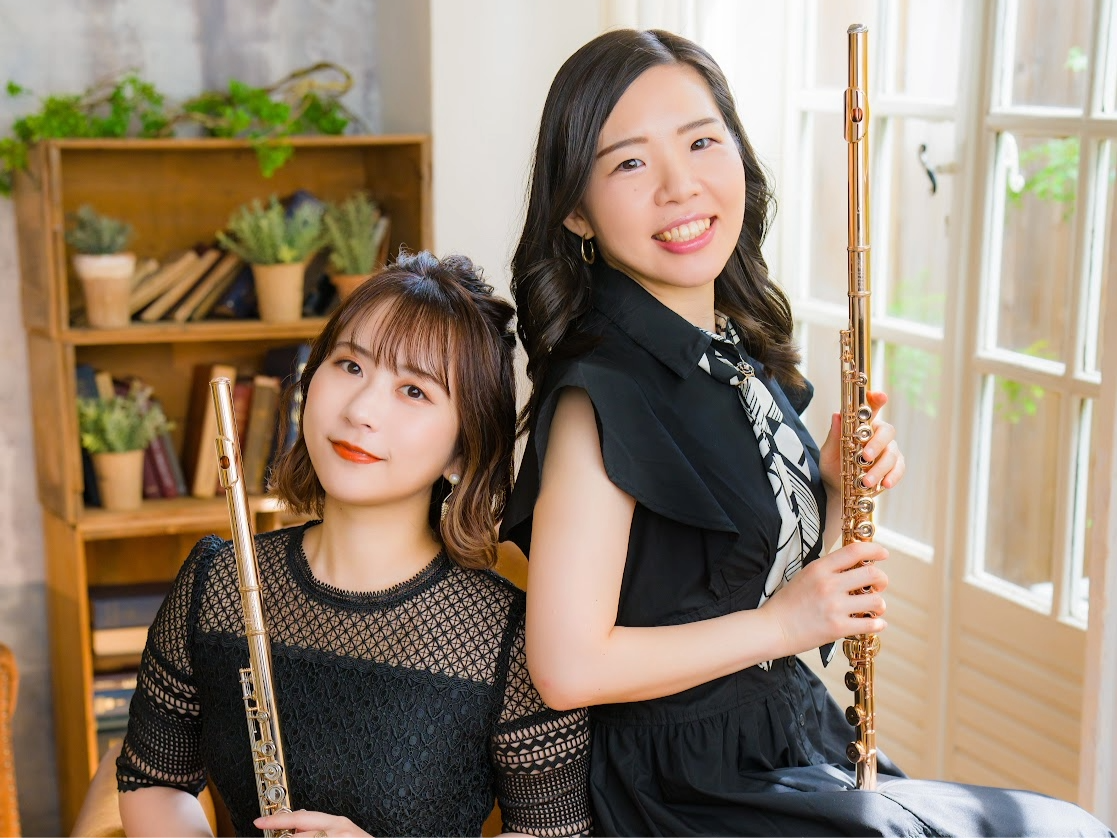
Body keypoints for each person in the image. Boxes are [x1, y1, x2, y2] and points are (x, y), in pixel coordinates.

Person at [501, 28, 1114, 838]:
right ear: (576, 208)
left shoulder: (732, 349)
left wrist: (825, 483)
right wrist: (785, 625)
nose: (680, 186)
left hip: (780, 735)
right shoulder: (598, 396)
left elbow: (729, 578)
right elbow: (566, 667)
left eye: (701, 141)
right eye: (630, 163)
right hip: (682, 788)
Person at [116, 251, 593, 838]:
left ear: (463, 450)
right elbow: (154, 778)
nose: (362, 410)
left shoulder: (512, 637)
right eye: (349, 365)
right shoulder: (217, 584)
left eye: (414, 391)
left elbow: (553, 830)